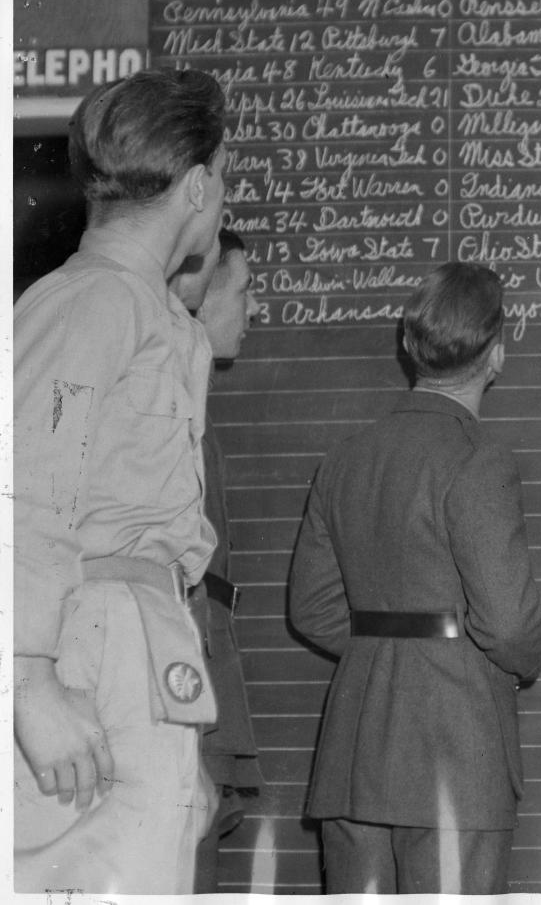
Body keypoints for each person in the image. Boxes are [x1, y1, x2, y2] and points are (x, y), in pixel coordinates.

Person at [13, 68, 227, 895]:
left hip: (137, 643)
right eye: (226, 177)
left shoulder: (148, 313)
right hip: (77, 648)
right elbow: (23, 496)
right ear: (199, 186)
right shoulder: (88, 304)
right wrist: (28, 684)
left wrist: (178, 754)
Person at [288, 261, 541, 894]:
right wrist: (522, 656)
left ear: (410, 346)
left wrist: (386, 653)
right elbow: (512, 624)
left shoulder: (345, 457)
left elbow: (313, 609)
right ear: (496, 355)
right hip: (458, 749)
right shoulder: (478, 459)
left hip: (355, 751)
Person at [171, 227, 264, 892]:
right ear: (195, 297)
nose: (254, 307)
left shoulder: (195, 416)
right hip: (181, 715)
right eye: (244, 288)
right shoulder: (166, 421)